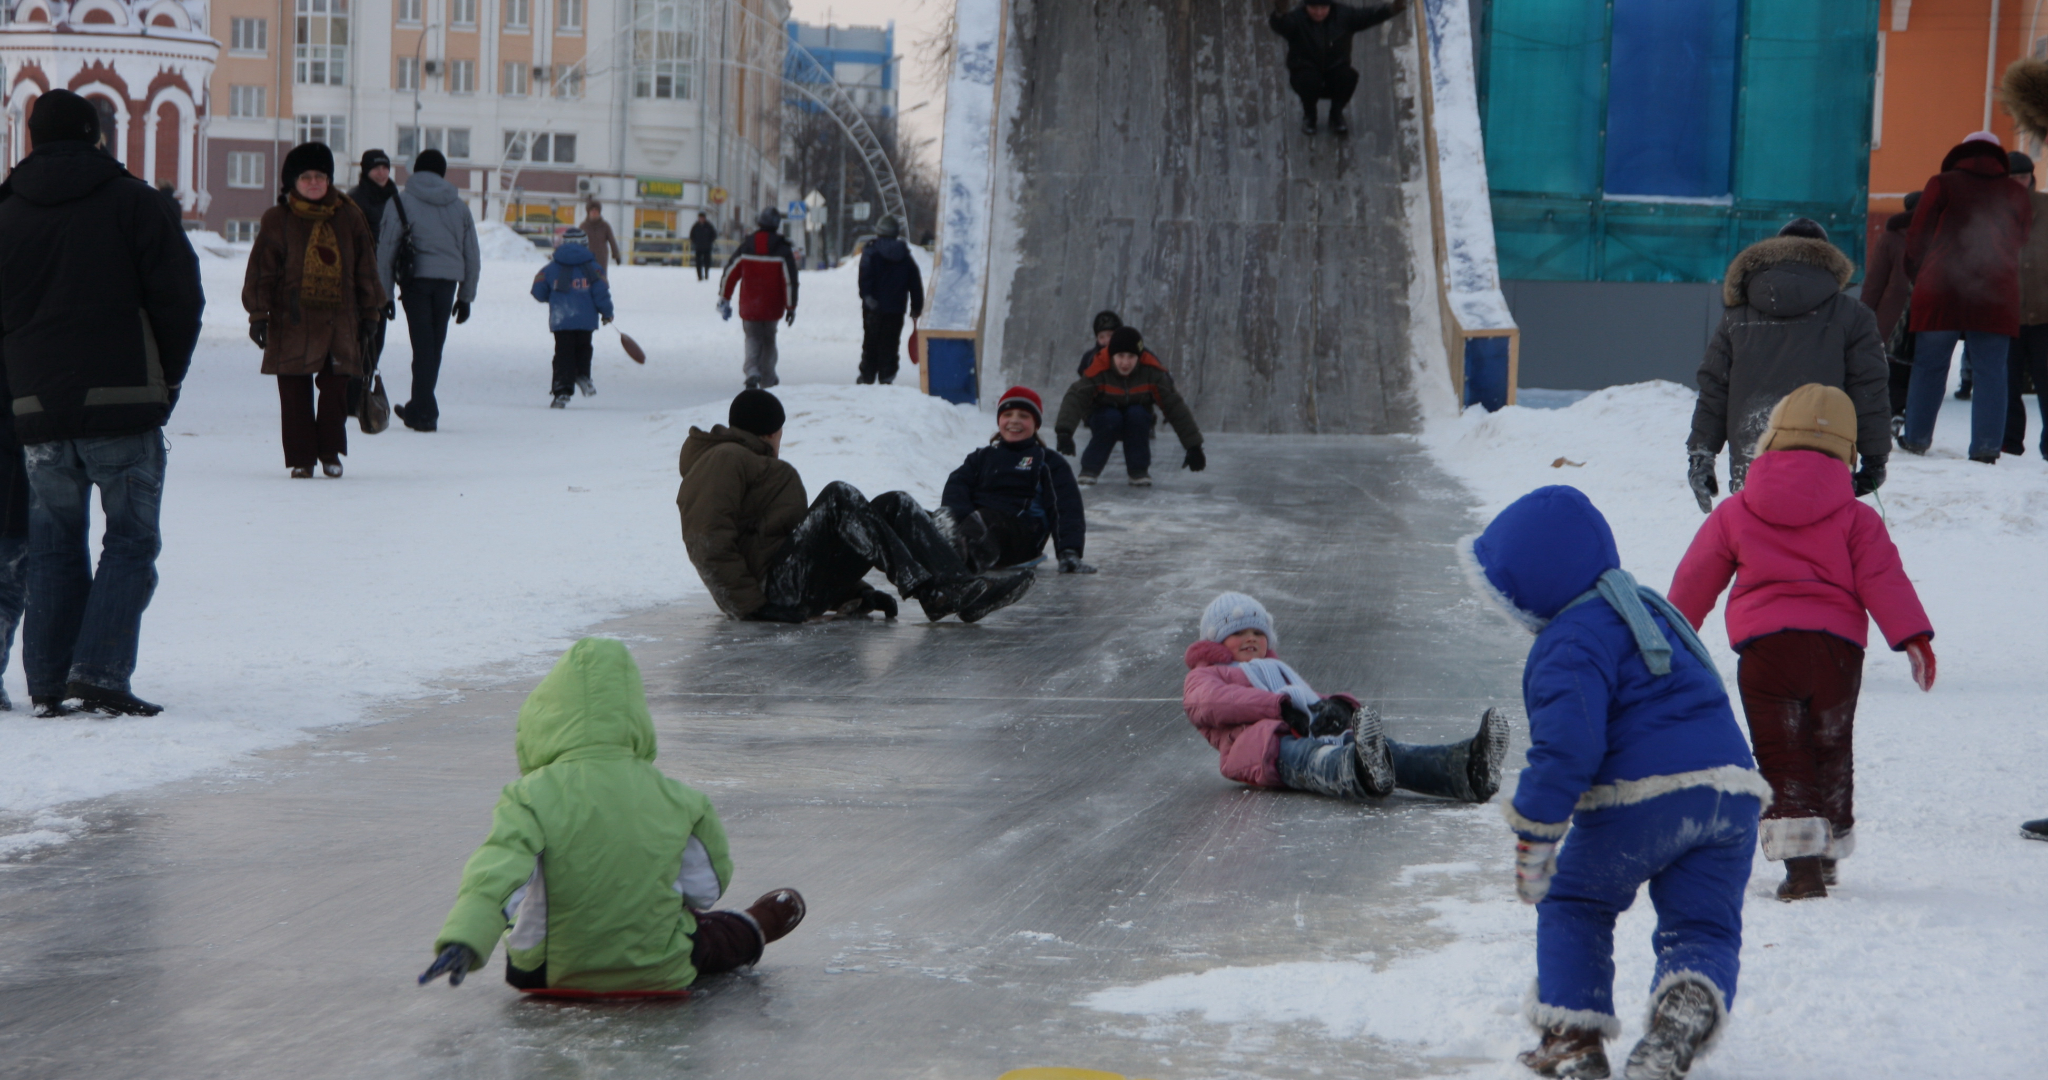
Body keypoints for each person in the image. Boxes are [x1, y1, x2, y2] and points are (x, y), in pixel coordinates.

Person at [1468, 485, 1769, 1080]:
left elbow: (1566, 748)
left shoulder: (1568, 640)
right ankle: (1684, 1013)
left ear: (1531, 584)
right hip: (1732, 795)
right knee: (1702, 925)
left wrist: (1536, 831)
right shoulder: (1650, 609)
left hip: (1646, 799)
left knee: (1576, 900)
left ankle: (1573, 1038)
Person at [418, 637, 806, 995]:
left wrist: (466, 940)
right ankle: (753, 926)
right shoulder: (680, 799)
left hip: (548, 972)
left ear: (542, 720)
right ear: (635, 717)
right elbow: (706, 889)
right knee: (707, 933)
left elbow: (497, 878)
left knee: (522, 908)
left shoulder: (527, 798)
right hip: (658, 968)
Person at [1671, 386, 1934, 901]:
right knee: (1830, 745)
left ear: (1770, 439)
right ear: (1847, 452)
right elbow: (1885, 579)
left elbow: (1695, 579)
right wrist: (1914, 639)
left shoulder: (1737, 511)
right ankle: (1829, 845)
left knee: (1782, 754)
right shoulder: (1858, 519)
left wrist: (1669, 635)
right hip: (1836, 654)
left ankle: (1803, 869)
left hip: (1767, 654)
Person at [0, 89, 204, 717]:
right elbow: (180, 300)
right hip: (124, 398)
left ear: (31, 137)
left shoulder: (6, 212)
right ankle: (100, 670)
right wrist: (164, 382)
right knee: (131, 541)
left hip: (36, 407)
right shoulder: (136, 204)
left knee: (54, 544)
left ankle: (50, 680)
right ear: (96, 135)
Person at [676, 389, 1034, 624]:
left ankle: (956, 587)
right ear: (772, 432)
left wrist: (852, 591)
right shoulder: (724, 459)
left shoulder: (755, 465)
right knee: (839, 497)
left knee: (894, 504)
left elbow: (802, 549)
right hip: (769, 593)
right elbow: (705, 537)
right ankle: (931, 591)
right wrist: (750, 606)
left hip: (788, 586)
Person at [1183, 592, 1506, 804]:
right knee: (1311, 755)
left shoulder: (1276, 671)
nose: (1251, 638)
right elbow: (1211, 703)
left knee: (1382, 749)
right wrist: (1278, 707)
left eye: (1257, 632)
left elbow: (1308, 699)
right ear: (1217, 641)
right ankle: (1359, 770)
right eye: (1238, 633)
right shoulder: (1207, 674)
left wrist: (1337, 706)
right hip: (1260, 752)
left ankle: (1464, 768)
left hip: (1293, 733)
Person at [1687, 218, 1888, 510]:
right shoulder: (1853, 316)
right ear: (1827, 261)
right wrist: (1875, 458)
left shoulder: (1736, 317)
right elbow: (1868, 388)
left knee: (1755, 543)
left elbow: (1714, 388)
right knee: (1815, 545)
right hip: (1825, 454)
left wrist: (1701, 456)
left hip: (1752, 456)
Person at [244, 143, 386, 479]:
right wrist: (257, 314)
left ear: (329, 179)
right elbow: (261, 271)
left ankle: (330, 452)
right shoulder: (277, 219)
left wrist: (371, 312)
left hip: (340, 319)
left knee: (336, 390)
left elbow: (366, 268)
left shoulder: (349, 216)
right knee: (294, 393)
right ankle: (302, 458)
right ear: (292, 181)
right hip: (291, 318)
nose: (313, 183)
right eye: (306, 177)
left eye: (320, 176)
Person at [1900, 131, 2032, 462]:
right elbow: (2022, 238)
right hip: (1995, 292)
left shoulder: (1942, 184)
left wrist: (1919, 274)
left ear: (1961, 152)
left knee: (1929, 365)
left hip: (1941, 286)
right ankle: (1987, 446)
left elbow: (1918, 235)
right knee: (1992, 370)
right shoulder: (2014, 191)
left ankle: (1916, 437)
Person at [377, 148, 480, 433]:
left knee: (423, 346)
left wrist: (384, 294)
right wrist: (466, 297)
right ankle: (422, 407)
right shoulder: (459, 207)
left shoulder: (401, 201)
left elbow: (385, 252)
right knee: (434, 346)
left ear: (415, 170)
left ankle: (422, 412)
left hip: (415, 281)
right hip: (447, 285)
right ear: (443, 173)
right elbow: (472, 255)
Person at [941, 386, 1091, 573]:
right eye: (1008, 414)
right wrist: (958, 520)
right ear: (999, 420)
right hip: (976, 528)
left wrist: (1069, 550)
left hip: (1021, 540)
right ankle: (931, 560)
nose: (1014, 420)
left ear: (1036, 424)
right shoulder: (981, 457)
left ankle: (956, 565)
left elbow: (1066, 507)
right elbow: (956, 487)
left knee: (986, 519)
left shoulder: (1048, 461)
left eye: (1023, 415)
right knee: (906, 507)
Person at [1054, 326, 1205, 486]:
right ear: (1112, 355)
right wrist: (1064, 432)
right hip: (1104, 416)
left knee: (1137, 414)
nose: (1125, 363)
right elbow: (1075, 397)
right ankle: (1090, 468)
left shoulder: (1152, 372)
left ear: (1139, 357)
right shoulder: (1099, 368)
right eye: (1120, 356)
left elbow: (1175, 407)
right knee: (1111, 418)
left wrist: (1193, 446)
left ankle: (1138, 470)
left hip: (1137, 417)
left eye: (1131, 356)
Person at [1265, 0, 1407, 136]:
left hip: (1335, 70)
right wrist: (1279, 12)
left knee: (1348, 77)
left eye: (1323, 8)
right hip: (1306, 72)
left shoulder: (1344, 15)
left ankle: (1336, 114)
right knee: (1308, 80)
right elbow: (1281, 25)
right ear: (1306, 6)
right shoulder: (1296, 20)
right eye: (1314, 8)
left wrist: (1393, 8)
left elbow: (1369, 15)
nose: (1319, 13)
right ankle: (1310, 115)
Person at [531, 227, 615, 408]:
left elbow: (538, 290)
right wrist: (607, 312)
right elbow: (601, 293)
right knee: (584, 347)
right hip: (586, 320)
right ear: (585, 245)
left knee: (563, 353)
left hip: (561, 318)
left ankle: (562, 390)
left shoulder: (550, 268)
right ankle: (583, 375)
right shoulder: (594, 269)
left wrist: (552, 298)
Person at [717, 209, 800, 390]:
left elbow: (730, 273)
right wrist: (791, 306)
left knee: (752, 338)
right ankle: (768, 378)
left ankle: (752, 371)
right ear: (777, 225)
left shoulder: (747, 245)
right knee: (769, 339)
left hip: (750, 305)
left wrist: (725, 297)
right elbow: (790, 281)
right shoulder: (783, 249)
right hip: (772, 307)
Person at [1860, 189, 1921, 428]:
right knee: (1916, 368)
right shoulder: (1942, 234)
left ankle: (1897, 410)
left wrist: (1864, 313)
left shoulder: (1890, 237)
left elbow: (1875, 282)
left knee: (1893, 366)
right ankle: (1904, 412)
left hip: (1892, 314)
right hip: (1924, 314)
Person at [2007, 152, 2048, 458]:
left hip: (2044, 312)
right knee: (2006, 385)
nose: (2019, 183)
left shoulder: (2046, 207)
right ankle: (2008, 442)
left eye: (2023, 177)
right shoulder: (1993, 211)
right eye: (2013, 179)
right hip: (2005, 313)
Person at [347, 149, 399, 384]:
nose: (382, 172)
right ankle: (353, 389)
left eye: (385, 167)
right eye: (376, 168)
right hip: (359, 276)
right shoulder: (355, 198)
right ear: (366, 171)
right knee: (359, 334)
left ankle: (364, 386)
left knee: (377, 336)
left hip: (384, 275)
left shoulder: (395, 196)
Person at [856, 214, 925, 385]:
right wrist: (917, 307)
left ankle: (867, 375)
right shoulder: (905, 256)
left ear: (879, 231)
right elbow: (915, 282)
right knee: (891, 343)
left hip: (873, 308)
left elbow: (864, 276)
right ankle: (887, 375)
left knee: (870, 341)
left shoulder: (870, 251)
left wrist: (867, 297)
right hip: (895, 309)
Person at [577, 199, 622, 278]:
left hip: (601, 257)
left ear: (599, 212)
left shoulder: (605, 226)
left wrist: (616, 255)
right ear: (588, 212)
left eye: (596, 210)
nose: (594, 212)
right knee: (587, 278)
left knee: (600, 278)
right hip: (586, 257)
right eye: (592, 210)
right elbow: (577, 242)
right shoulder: (583, 226)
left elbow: (612, 241)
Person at [1080, 310, 1121, 376]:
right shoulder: (1089, 358)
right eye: (1101, 337)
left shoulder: (1132, 354)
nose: (1106, 340)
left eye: (1110, 335)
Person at [690, 211, 719, 282]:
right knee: (698, 262)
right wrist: (695, 242)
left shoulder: (709, 226)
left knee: (707, 262)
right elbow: (691, 235)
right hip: (698, 247)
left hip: (707, 248)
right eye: (700, 218)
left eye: (702, 218)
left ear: (705, 218)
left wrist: (709, 242)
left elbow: (714, 235)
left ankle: (706, 275)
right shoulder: (696, 226)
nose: (701, 219)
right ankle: (699, 276)